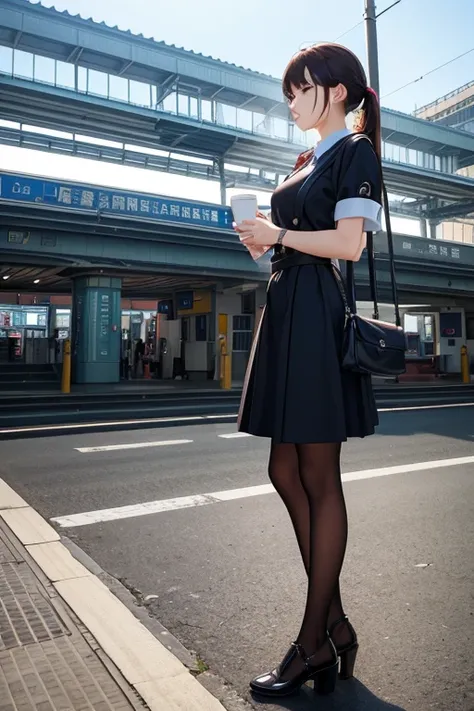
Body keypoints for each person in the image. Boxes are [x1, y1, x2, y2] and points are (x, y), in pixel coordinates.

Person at [234, 42, 383, 699]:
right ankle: (338, 625)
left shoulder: (356, 152)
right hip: (287, 304)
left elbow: (350, 245)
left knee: (315, 472)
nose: (291, 99)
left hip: (317, 313)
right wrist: (262, 240)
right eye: (288, 90)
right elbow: (297, 240)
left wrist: (280, 236)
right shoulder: (306, 159)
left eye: (301, 87)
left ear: (340, 92)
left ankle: (312, 643)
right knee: (283, 467)